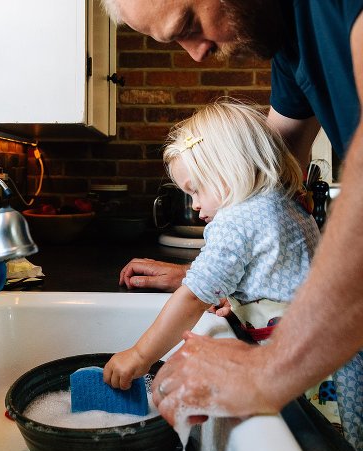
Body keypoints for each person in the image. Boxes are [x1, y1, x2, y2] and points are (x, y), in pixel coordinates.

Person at [100, 0, 363, 451]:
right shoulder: (290, 44)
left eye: (188, 23)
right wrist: (206, 274)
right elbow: (276, 167)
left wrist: (142, 356)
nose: (196, 54)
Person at [104, 101, 319, 392]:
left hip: (298, 365)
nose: (194, 205)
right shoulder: (285, 202)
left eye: (196, 189)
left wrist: (140, 355)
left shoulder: (236, 219)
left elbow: (194, 297)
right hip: (323, 349)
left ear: (228, 170)